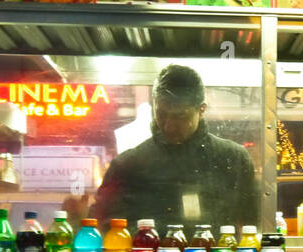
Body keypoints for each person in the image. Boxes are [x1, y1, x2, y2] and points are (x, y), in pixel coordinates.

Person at [91, 64, 258, 229]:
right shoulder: (126, 166)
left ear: (201, 110)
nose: (169, 126)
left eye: (180, 116)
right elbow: (103, 226)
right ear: (154, 105)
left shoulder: (234, 160)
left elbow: (254, 223)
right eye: (161, 114)